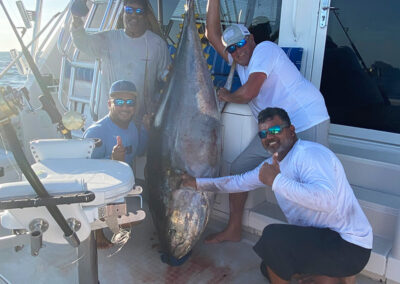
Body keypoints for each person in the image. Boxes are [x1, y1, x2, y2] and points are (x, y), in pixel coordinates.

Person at [181, 107, 372, 284]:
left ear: (291, 130)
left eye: (275, 130)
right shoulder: (273, 164)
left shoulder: (310, 154)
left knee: (273, 239)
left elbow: (327, 200)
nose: (269, 137)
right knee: (269, 266)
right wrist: (196, 183)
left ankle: (338, 273)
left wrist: (276, 181)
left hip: (349, 245)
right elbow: (236, 182)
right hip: (323, 238)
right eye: (263, 134)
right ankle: (329, 276)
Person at [203, 0, 330, 244]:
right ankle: (234, 229)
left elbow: (249, 92)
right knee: (239, 167)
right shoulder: (239, 61)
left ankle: (316, 248)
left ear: (251, 39)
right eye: (232, 49)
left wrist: (226, 95)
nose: (237, 51)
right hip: (274, 130)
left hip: (307, 121)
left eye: (241, 44)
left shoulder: (265, 49)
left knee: (310, 184)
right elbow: (211, 33)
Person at [70, 0, 171, 120]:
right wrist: (76, 18)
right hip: (109, 120)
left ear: (145, 16)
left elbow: (166, 76)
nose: (133, 15)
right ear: (123, 13)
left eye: (139, 11)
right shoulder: (109, 38)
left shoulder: (157, 44)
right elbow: (82, 42)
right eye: (129, 10)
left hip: (140, 122)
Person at [83, 80, 148, 248]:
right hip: (98, 193)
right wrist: (112, 162)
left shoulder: (132, 126)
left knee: (138, 218)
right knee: (127, 219)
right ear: (109, 103)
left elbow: (138, 152)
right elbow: (85, 175)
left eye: (130, 102)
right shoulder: (96, 132)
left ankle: (108, 219)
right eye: (119, 102)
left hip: (118, 188)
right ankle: (95, 230)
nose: (125, 107)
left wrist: (146, 131)